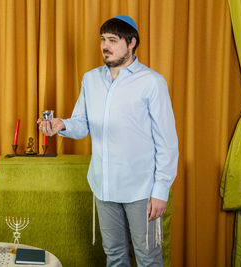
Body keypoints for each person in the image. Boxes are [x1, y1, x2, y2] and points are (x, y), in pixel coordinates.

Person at [37, 15, 178, 267]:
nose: (105, 46)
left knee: (148, 259)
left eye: (113, 40)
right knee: (114, 256)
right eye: (103, 39)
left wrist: (161, 190)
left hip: (141, 191)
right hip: (104, 188)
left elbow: (167, 143)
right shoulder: (90, 80)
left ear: (132, 42)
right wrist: (62, 125)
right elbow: (82, 125)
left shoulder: (152, 83)